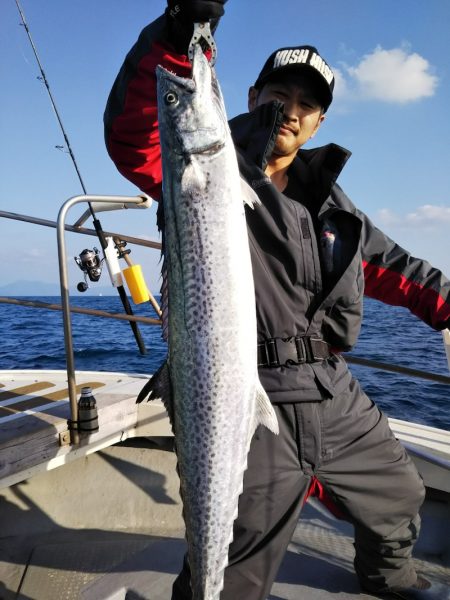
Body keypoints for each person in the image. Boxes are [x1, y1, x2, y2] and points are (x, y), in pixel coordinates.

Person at [104, 2, 450, 599]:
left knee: (400, 492)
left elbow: (404, 273)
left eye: (307, 103)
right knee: (232, 553)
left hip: (332, 391)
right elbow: (137, 135)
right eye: (279, 93)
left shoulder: (336, 210)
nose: (290, 109)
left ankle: (389, 577)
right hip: (240, 385)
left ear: (318, 122)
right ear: (252, 93)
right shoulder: (201, 167)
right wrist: (174, 35)